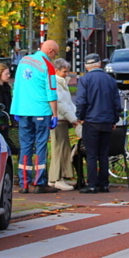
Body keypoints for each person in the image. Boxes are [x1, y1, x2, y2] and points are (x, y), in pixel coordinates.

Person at [10, 39, 61, 194]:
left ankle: (24, 183)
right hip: (41, 110)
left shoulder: (23, 61)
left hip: (23, 110)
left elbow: (17, 85)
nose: (54, 57)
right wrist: (55, 114)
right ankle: (39, 182)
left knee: (25, 146)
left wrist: (16, 109)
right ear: (50, 51)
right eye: (55, 54)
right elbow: (51, 92)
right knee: (40, 146)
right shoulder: (48, 66)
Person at [74, 53, 122, 194]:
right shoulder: (110, 80)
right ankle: (104, 183)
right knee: (103, 153)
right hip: (107, 121)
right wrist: (114, 119)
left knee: (91, 154)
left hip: (91, 121)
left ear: (86, 66)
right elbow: (116, 102)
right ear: (99, 64)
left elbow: (81, 101)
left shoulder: (85, 80)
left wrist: (80, 117)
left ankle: (92, 184)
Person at [49, 58, 78, 191]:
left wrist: (74, 115)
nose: (67, 74)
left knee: (63, 148)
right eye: (64, 72)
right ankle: (56, 178)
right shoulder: (56, 83)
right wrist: (73, 118)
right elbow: (61, 104)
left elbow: (67, 103)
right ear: (56, 71)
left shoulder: (61, 82)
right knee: (59, 149)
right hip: (58, 120)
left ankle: (60, 177)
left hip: (62, 119)